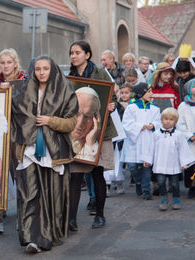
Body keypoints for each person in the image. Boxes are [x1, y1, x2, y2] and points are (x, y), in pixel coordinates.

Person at [11, 55, 78, 253]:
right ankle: (31, 238)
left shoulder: (64, 89)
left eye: (45, 68)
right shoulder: (23, 91)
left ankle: (47, 236)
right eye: (38, 69)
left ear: (52, 69)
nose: (41, 72)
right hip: (29, 149)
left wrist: (50, 121)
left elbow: (71, 122)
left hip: (53, 150)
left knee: (50, 193)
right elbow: (12, 113)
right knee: (29, 193)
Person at [69, 40, 117, 229]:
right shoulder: (70, 77)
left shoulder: (100, 73)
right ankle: (71, 218)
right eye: (71, 53)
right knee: (76, 175)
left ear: (87, 55)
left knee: (97, 174)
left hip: (100, 129)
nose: (73, 56)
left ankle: (100, 214)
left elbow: (111, 95)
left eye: (77, 52)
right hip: (78, 130)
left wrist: (111, 105)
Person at [0, 48, 27, 234]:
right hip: (0, 131)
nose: (5, 66)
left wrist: (12, 89)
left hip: (18, 132)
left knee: (19, 171)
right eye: (2, 63)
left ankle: (24, 214)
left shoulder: (24, 80)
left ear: (15, 63)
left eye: (9, 62)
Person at [143, 108, 195, 211]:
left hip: (173, 164)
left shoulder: (178, 135)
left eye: (171, 119)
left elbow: (183, 149)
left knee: (175, 183)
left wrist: (184, 163)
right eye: (165, 119)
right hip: (160, 163)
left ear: (175, 121)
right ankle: (163, 198)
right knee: (161, 182)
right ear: (161, 120)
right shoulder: (156, 134)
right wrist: (148, 160)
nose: (168, 121)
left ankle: (176, 199)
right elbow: (150, 148)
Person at [121, 82, 161, 200]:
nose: (151, 94)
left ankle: (146, 190)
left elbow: (158, 122)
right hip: (134, 141)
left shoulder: (154, 109)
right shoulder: (131, 108)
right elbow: (126, 124)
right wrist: (140, 126)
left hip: (148, 141)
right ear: (141, 93)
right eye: (148, 92)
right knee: (133, 166)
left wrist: (153, 125)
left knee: (146, 167)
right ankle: (138, 182)